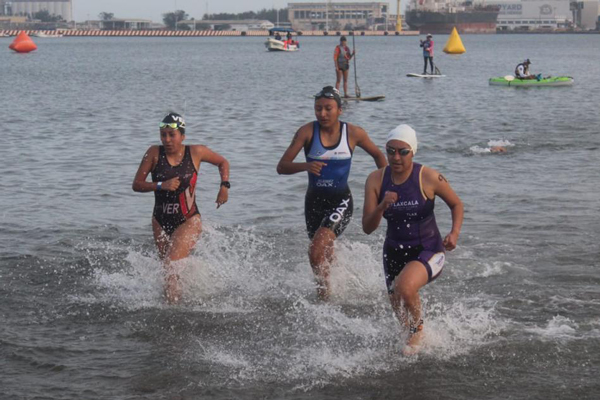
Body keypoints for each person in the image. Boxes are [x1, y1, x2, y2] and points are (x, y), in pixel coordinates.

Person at [277, 86, 387, 300]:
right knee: (321, 254)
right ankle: (332, 291)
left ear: (340, 110)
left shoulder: (354, 133)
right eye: (318, 109)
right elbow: (282, 166)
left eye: (328, 109)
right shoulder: (306, 132)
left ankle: (323, 297)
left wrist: (385, 185)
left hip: (341, 201)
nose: (322, 114)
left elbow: (378, 156)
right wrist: (306, 166)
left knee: (316, 249)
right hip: (313, 203)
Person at [362, 124, 463, 355]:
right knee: (397, 306)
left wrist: (454, 232)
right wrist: (382, 206)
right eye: (391, 150)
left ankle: (419, 330)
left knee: (405, 287)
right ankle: (410, 336)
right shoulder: (376, 180)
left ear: (413, 151)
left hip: (429, 249)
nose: (396, 157)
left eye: (403, 151)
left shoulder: (428, 177)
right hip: (394, 252)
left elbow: (456, 204)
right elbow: (367, 227)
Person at [132, 112, 230, 304]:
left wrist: (224, 186)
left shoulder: (196, 152)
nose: (167, 140)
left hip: (188, 219)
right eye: (163, 135)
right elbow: (137, 184)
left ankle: (173, 312)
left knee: (170, 267)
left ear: (182, 136)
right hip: (160, 220)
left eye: (172, 135)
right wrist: (161, 185)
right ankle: (177, 301)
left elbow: (222, 162)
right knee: (167, 271)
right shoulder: (153, 153)